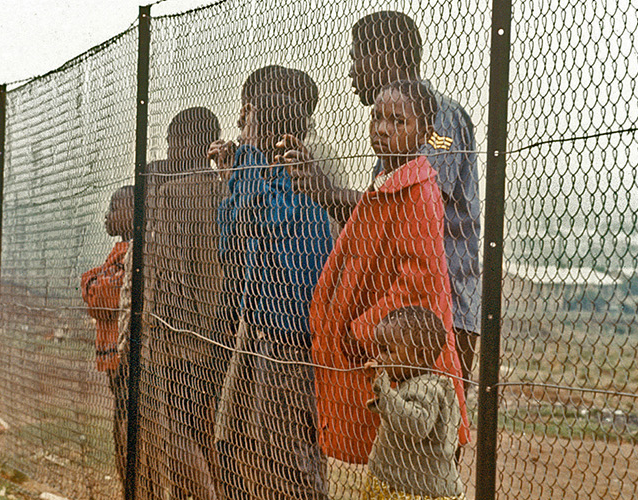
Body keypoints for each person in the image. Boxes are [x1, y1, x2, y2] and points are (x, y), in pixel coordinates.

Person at [285, 11, 482, 384]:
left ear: (386, 56)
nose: (351, 71)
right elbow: (379, 224)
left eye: (357, 57)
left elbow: (410, 211)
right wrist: (320, 190)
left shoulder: (435, 115)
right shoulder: (394, 127)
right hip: (400, 312)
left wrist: (325, 189)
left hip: (439, 311)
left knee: (429, 430)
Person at [300, 80, 468, 465]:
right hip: (392, 347)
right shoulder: (387, 185)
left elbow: (419, 281)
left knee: (414, 457)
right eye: (377, 117)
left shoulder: (419, 193)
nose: (382, 128)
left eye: (397, 121)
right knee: (392, 459)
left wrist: (363, 330)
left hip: (410, 352)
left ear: (425, 133)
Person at [209, 92, 332, 499]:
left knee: (290, 462)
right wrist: (235, 177)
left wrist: (244, 158)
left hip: (292, 344)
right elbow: (230, 243)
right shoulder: (259, 179)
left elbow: (254, 219)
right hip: (265, 334)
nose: (239, 126)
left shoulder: (296, 180)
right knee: (258, 455)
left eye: (248, 119)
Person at [141, 107, 229, 500]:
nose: (168, 151)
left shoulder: (170, 194)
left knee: (175, 426)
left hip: (177, 336)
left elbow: (166, 270)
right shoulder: (225, 184)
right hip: (221, 332)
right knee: (210, 428)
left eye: (172, 142)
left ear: (187, 143)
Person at [361, 307, 464, 500]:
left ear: (421, 355)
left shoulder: (426, 388)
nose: (379, 358)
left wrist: (383, 390)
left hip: (417, 491)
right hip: (400, 485)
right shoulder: (408, 384)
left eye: (387, 351)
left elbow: (416, 425)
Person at [79, 186, 136, 476]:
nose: (107, 215)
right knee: (121, 425)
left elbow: (101, 296)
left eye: (115, 208)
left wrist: (91, 284)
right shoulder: (119, 253)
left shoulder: (131, 254)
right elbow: (94, 286)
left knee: (127, 428)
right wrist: (93, 283)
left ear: (133, 212)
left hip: (124, 354)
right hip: (117, 357)